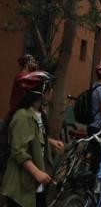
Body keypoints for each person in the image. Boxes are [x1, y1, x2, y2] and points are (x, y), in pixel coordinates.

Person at [2, 71, 64, 207]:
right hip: (22, 184)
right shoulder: (22, 116)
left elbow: (32, 136)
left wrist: (50, 141)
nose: (52, 90)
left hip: (37, 182)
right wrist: (37, 173)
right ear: (41, 92)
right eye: (49, 87)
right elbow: (18, 150)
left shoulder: (39, 114)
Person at [5, 54, 38, 123]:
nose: (35, 64)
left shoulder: (25, 76)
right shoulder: (22, 76)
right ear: (27, 63)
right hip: (17, 112)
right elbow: (25, 96)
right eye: (33, 61)